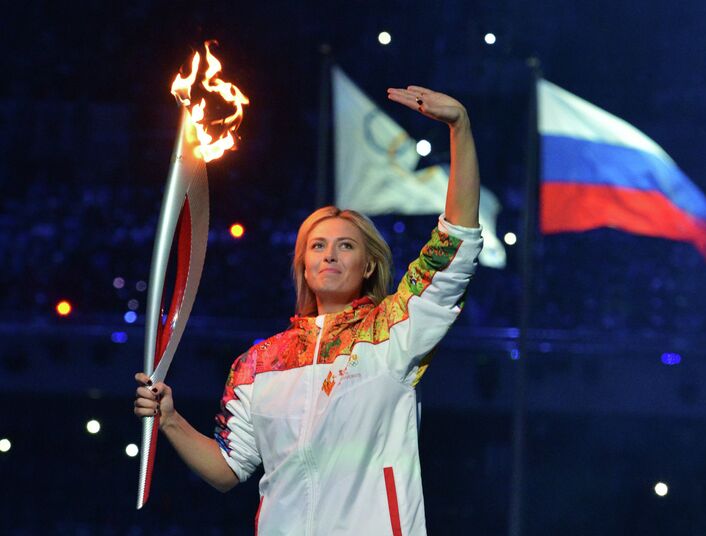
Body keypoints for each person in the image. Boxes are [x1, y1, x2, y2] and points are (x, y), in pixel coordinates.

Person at [134, 85, 484, 535]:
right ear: (303, 263)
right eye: (317, 246)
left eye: (345, 245)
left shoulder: (394, 331)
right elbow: (227, 469)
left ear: (369, 262)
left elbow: (454, 245)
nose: (330, 255)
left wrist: (460, 128)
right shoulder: (257, 365)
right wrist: (170, 419)